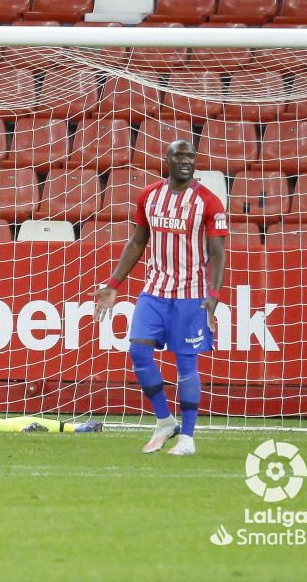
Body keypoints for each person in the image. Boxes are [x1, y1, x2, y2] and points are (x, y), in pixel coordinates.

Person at [93, 139, 227, 456]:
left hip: (190, 296)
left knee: (186, 364)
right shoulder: (149, 196)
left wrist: (214, 293)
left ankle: (188, 438)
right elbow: (137, 242)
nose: (186, 160)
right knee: (138, 354)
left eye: (191, 155)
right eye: (179, 155)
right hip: (154, 292)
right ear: (167, 159)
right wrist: (113, 283)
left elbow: (219, 252)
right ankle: (165, 420)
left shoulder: (209, 202)